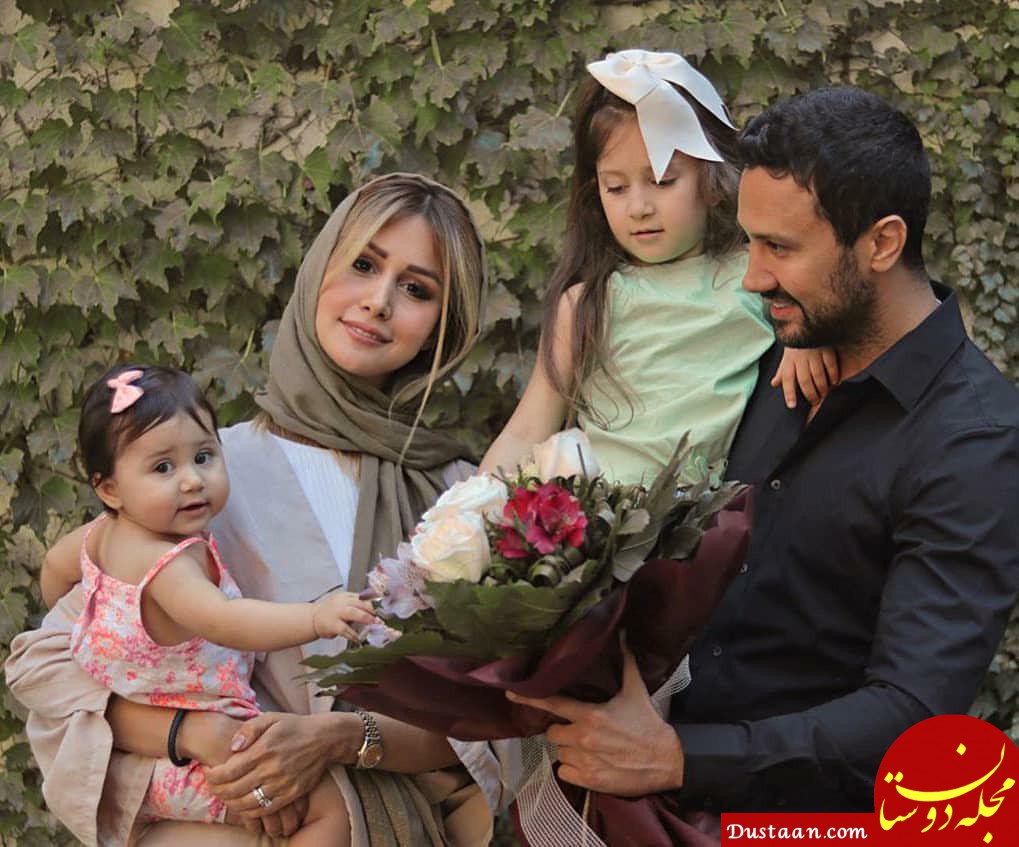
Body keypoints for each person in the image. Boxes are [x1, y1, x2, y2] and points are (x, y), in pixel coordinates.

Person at [508, 86, 1019, 830]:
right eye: (748, 241)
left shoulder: (972, 439)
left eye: (779, 248)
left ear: (881, 244)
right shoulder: (773, 347)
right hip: (632, 801)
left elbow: (914, 715)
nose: (750, 277)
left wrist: (680, 757)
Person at [7, 173, 503, 846]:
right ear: (320, 267)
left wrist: (342, 737)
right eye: (362, 264)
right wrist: (193, 733)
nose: (378, 301)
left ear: (445, 324)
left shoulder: (461, 498)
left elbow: (499, 718)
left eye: (417, 289)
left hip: (397, 824)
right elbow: (53, 665)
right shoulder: (202, 478)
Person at [42, 363, 380, 844]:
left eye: (203, 457)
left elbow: (55, 571)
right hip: (198, 759)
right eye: (163, 468)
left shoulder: (98, 536)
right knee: (330, 808)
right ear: (109, 488)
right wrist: (314, 617)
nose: (192, 481)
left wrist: (94, 622)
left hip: (147, 753)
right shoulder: (166, 565)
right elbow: (224, 620)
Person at [480, 49, 837, 484]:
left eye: (662, 181)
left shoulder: (753, 275)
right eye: (616, 188)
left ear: (714, 181)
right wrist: (466, 513)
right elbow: (525, 431)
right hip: (602, 516)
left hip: (721, 515)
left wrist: (807, 340)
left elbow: (830, 311)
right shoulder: (586, 302)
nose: (639, 207)